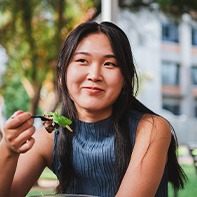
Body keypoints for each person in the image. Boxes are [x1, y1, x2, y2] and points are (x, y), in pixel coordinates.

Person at [0, 21, 187, 197]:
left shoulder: (151, 129)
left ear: (125, 79)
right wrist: (8, 149)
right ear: (63, 72)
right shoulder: (49, 138)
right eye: (82, 60)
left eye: (109, 64)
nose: (94, 75)